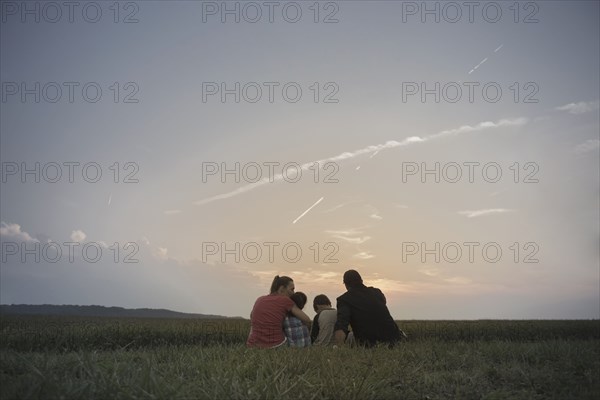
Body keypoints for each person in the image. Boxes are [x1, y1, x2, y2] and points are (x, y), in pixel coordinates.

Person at [334, 269, 402, 347]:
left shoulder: (343, 300)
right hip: (394, 339)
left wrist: (338, 347)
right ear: (361, 281)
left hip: (369, 343)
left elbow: (341, 325)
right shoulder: (377, 292)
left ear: (345, 284)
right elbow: (383, 304)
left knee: (350, 336)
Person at [247, 275, 311, 349]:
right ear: (282, 288)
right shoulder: (286, 300)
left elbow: (252, 316)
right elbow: (307, 319)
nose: (293, 293)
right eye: (292, 289)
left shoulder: (260, 299)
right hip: (275, 345)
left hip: (252, 345)